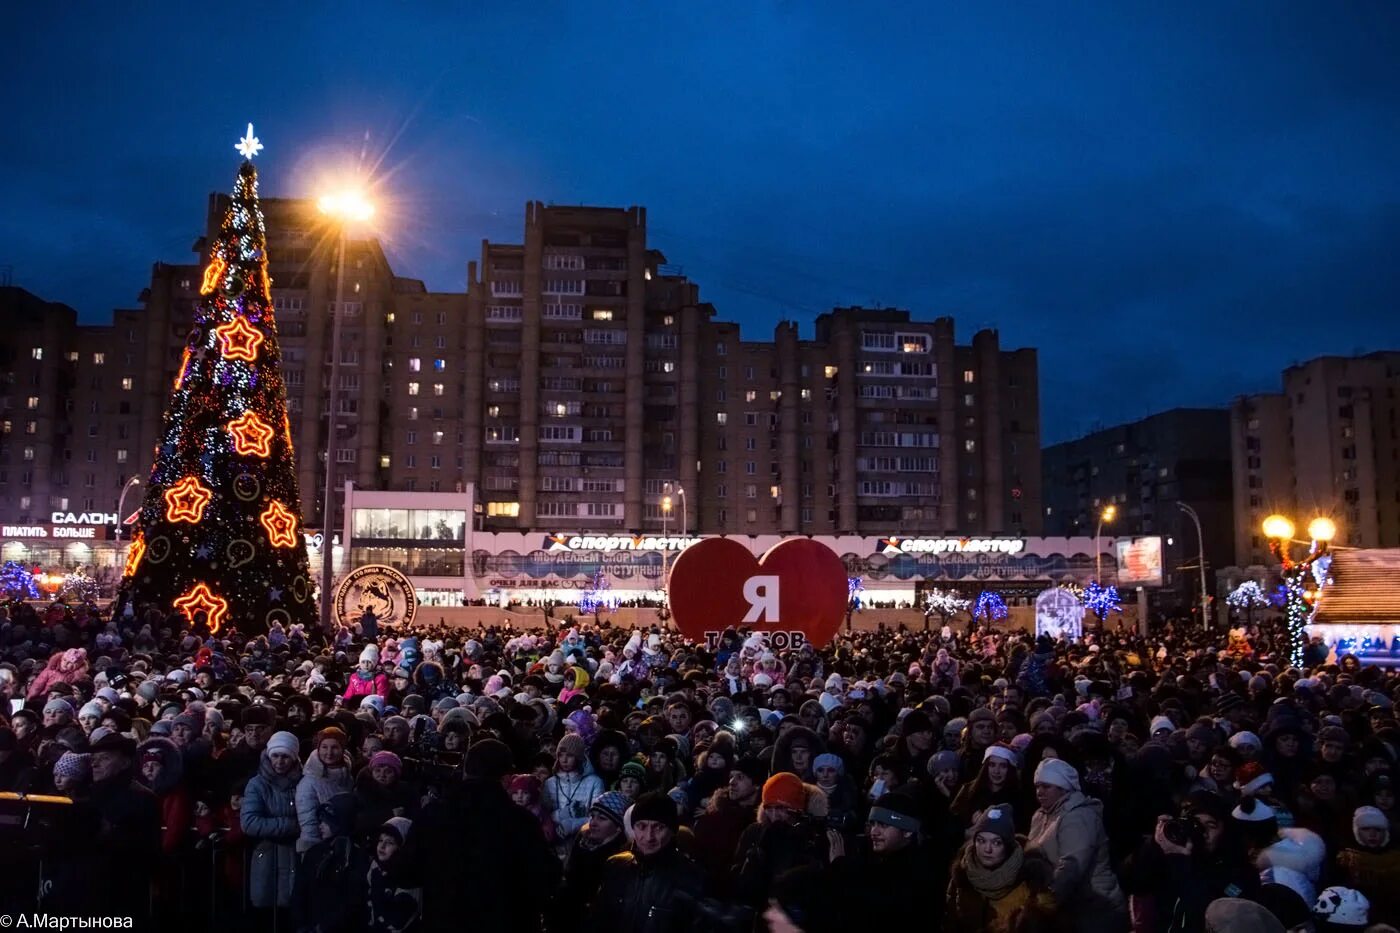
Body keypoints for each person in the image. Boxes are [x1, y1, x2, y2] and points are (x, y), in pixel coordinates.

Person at [404, 739, 560, 933]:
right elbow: (544, 879)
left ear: (465, 770)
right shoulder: (521, 822)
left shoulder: (434, 814)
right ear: (506, 777)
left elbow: (408, 872)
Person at [1026, 757, 1126, 932]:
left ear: (1063, 788)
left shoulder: (1078, 816)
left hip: (1095, 909)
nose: (1039, 792)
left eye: (1046, 786)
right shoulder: (1041, 815)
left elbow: (1072, 866)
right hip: (1068, 908)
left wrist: (1047, 900)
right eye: (1037, 786)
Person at [585, 791, 705, 933]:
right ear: (633, 828)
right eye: (641, 826)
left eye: (659, 827)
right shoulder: (616, 866)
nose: (649, 837)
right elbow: (597, 920)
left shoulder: (690, 878)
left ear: (672, 830)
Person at [945, 803, 1055, 932]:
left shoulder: (1031, 880)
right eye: (981, 840)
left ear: (1007, 845)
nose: (987, 849)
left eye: (996, 842)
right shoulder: (963, 873)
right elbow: (950, 919)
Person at [241, 730, 303, 912]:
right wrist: (291, 825)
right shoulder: (257, 784)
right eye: (275, 755)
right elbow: (250, 822)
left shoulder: (303, 782)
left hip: (295, 854)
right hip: (267, 854)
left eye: (285, 756)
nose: (279, 761)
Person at [552, 791, 630, 932]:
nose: (593, 823)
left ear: (618, 825)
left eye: (602, 818)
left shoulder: (621, 856)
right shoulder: (582, 840)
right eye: (592, 816)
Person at [297, 725, 355, 853]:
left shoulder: (347, 777)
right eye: (324, 747)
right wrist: (312, 851)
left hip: (344, 844)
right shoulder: (309, 782)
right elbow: (308, 821)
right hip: (319, 847)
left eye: (334, 747)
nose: (329, 752)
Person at [368, 817, 420, 933]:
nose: (382, 846)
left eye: (390, 842)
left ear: (401, 848)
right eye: (380, 840)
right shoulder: (375, 868)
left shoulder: (407, 879)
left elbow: (397, 922)